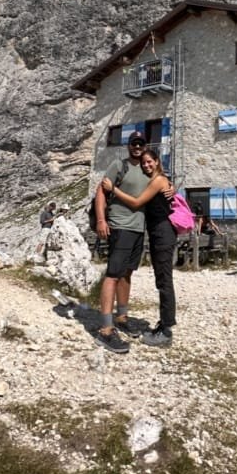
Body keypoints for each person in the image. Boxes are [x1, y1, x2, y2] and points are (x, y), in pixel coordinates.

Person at [103, 148, 176, 348]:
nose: (146, 165)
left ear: (157, 161)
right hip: (156, 233)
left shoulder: (159, 180)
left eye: (150, 161)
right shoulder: (157, 180)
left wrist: (113, 189)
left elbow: (136, 203)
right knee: (161, 279)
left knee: (164, 280)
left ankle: (166, 330)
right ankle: (163, 325)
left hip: (162, 232)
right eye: (144, 163)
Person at [92, 131, 151, 354]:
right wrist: (101, 220)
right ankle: (105, 330)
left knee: (127, 273)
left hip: (138, 228)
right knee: (113, 274)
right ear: (128, 146)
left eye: (140, 144)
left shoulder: (147, 169)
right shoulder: (119, 165)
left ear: (145, 146)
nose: (137, 147)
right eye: (134, 143)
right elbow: (101, 191)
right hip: (120, 226)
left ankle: (122, 317)